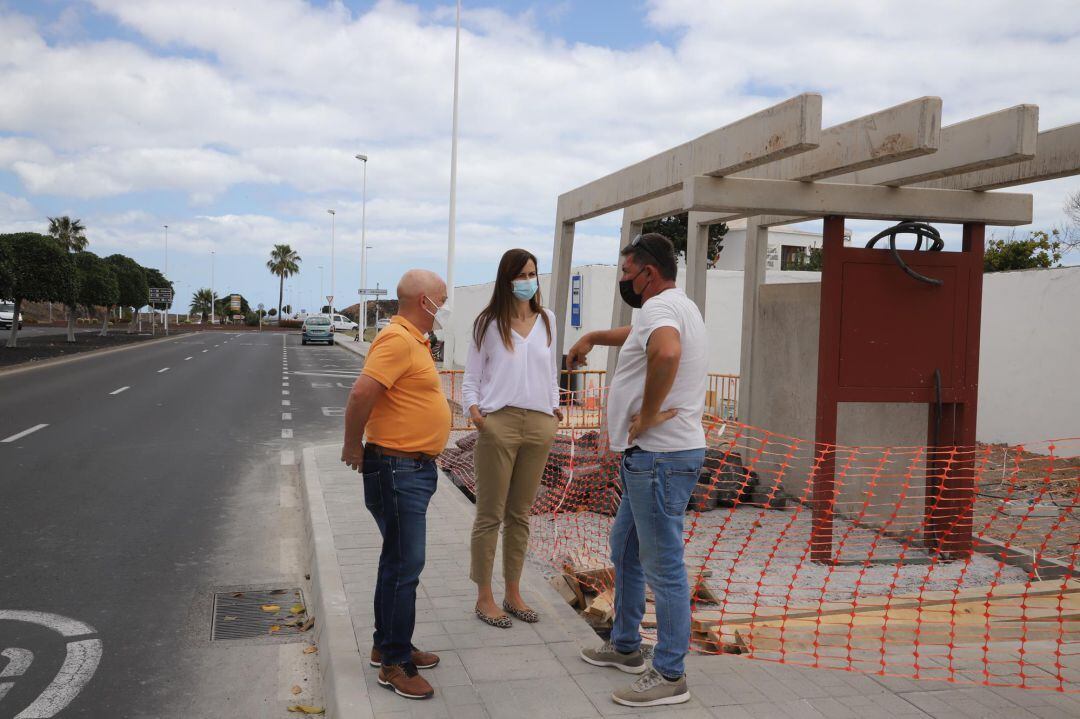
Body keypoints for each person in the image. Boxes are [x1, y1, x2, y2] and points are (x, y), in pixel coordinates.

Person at [568, 233, 708, 708]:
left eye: (627, 274)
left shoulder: (657, 311)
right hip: (652, 459)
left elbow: (664, 352)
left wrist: (647, 414)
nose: (626, 282)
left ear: (648, 273)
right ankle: (626, 645)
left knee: (663, 565)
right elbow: (641, 337)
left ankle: (670, 673)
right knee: (624, 547)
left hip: (659, 457)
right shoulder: (679, 305)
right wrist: (591, 336)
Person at [340, 269, 452, 701]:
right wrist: (353, 445)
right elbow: (361, 393)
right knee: (406, 566)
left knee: (398, 562)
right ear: (424, 301)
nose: (445, 305)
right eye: (442, 297)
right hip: (397, 469)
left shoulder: (414, 340)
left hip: (413, 470)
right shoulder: (397, 338)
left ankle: (388, 644)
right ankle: (394, 664)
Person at [462, 248, 563, 627]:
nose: (528, 281)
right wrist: (474, 412)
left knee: (520, 515)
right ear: (507, 280)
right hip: (498, 422)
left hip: (539, 425)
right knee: (490, 514)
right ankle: (484, 597)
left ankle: (514, 592)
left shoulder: (548, 320)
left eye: (533, 274)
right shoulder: (487, 323)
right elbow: (472, 377)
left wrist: (554, 408)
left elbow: (550, 373)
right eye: (521, 275)